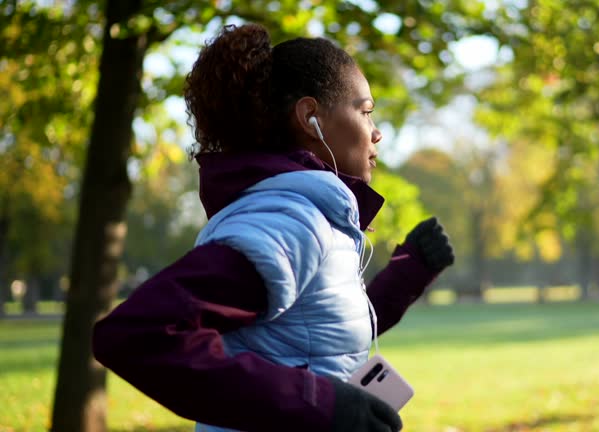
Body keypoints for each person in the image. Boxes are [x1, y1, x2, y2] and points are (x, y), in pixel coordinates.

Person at [92, 23, 455, 432]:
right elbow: (137, 334)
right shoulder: (288, 220)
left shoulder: (313, 217)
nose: (377, 132)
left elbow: (315, 332)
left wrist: (407, 273)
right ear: (310, 117)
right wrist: (321, 404)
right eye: (365, 110)